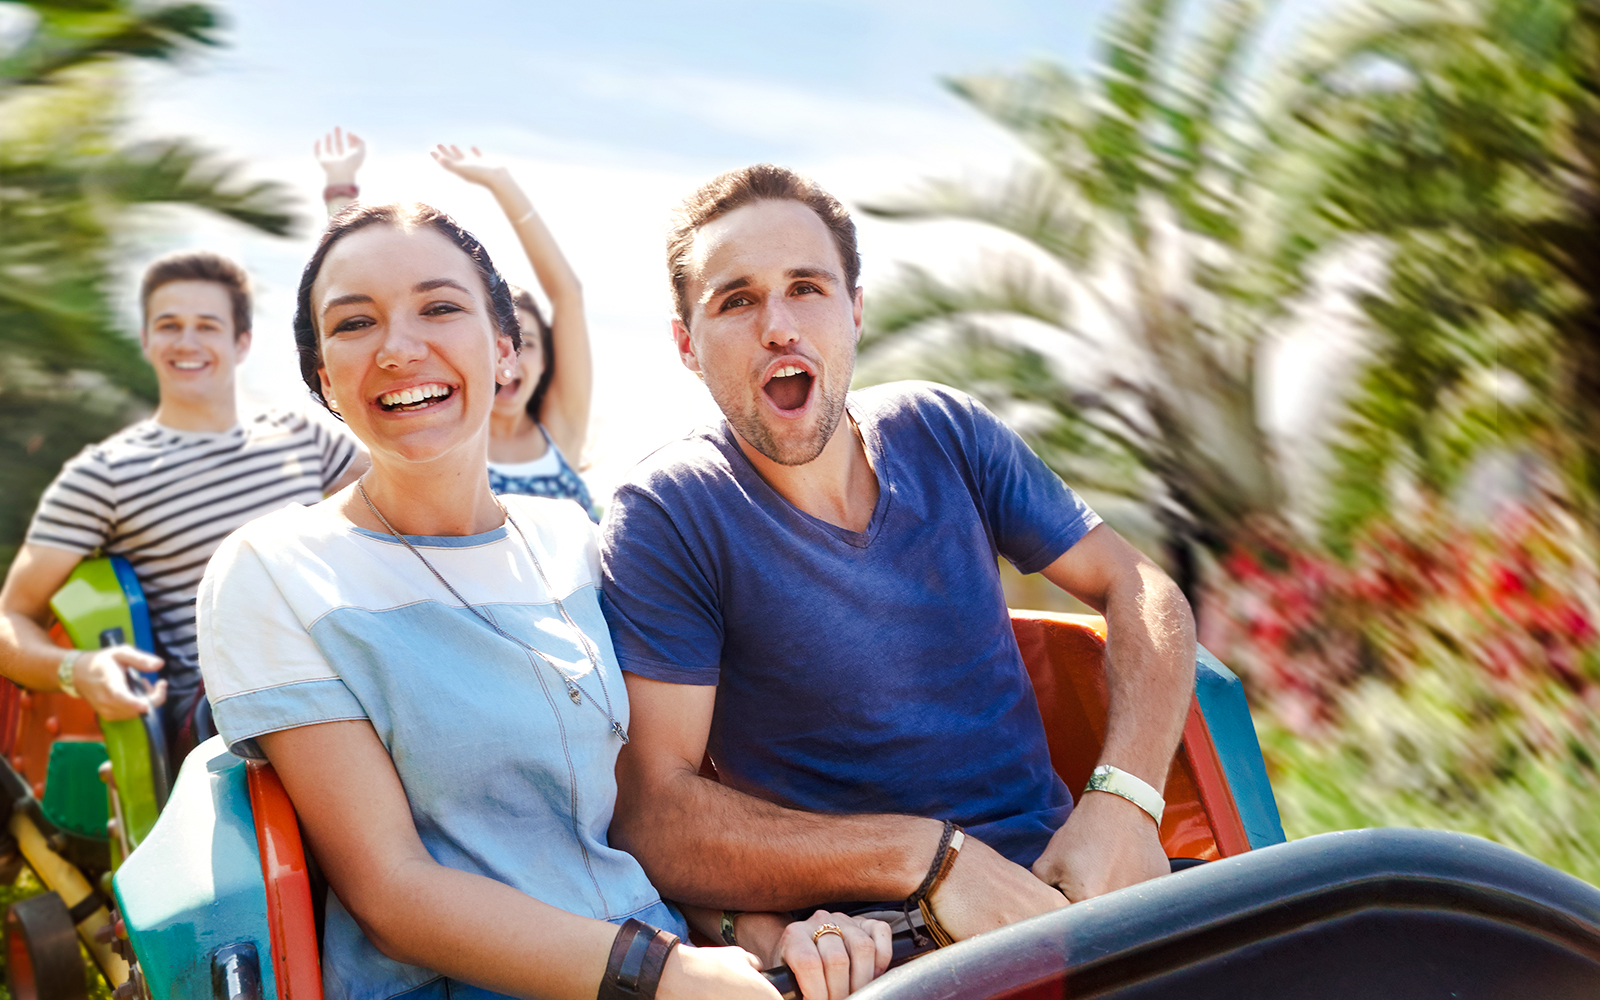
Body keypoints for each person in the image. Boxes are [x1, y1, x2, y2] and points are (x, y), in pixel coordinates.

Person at [196, 201, 888, 1000]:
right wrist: (662, 972)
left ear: (505, 350)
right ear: (324, 376)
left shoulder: (574, 540)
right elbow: (390, 891)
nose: (398, 347)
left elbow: (627, 818)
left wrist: (755, 931)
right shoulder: (273, 571)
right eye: (354, 325)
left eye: (440, 307)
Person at [601, 165, 1199, 977]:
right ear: (686, 344)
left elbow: (1138, 586)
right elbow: (652, 814)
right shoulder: (669, 512)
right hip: (884, 951)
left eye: (806, 287)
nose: (778, 325)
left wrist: (1123, 806)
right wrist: (928, 856)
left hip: (1077, 890)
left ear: (854, 310)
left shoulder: (942, 426)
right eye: (735, 300)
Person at [0, 250, 364, 755]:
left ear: (241, 342)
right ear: (147, 340)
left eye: (207, 326)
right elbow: (9, 619)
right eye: (169, 325)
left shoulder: (305, 434)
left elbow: (408, 496)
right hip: (222, 709)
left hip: (346, 667)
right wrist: (77, 670)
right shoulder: (103, 474)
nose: (187, 342)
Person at [316, 130, 598, 518]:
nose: (519, 351)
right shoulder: (435, 439)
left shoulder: (558, 433)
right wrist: (340, 192)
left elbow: (568, 296)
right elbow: (353, 280)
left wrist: (502, 183)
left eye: (529, 343)